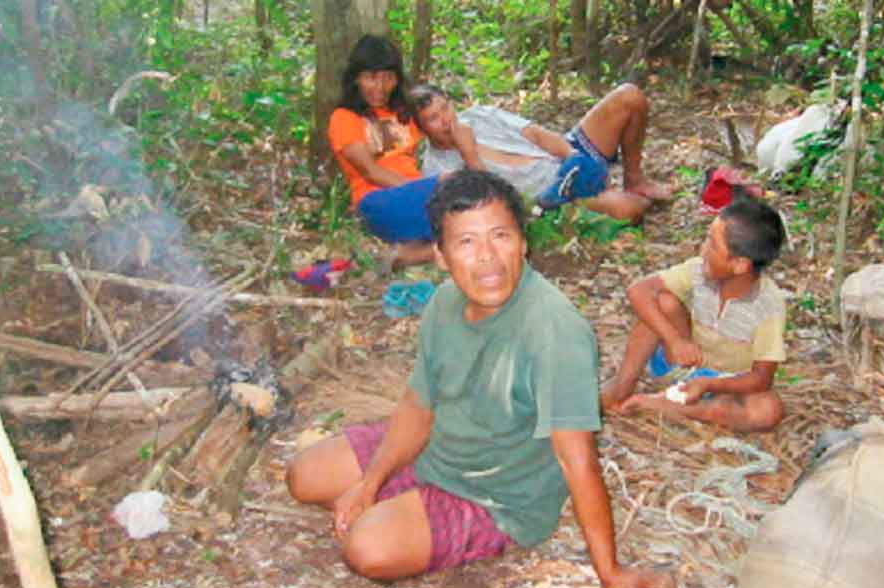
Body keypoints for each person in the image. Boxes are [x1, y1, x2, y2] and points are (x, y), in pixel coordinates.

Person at [286, 170, 675, 588]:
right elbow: (419, 405)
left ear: (524, 242)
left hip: (497, 494)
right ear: (440, 254)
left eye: (500, 236)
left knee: (367, 547)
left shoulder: (555, 331)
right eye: (466, 242)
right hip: (440, 443)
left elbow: (577, 461)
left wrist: (611, 572)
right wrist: (371, 481)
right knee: (303, 476)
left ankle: (434, 521)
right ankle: (400, 500)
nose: (487, 257)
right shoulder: (444, 302)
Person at [600, 195, 788, 432]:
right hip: (679, 362)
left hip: (721, 384)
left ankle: (660, 405)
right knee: (662, 302)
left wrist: (708, 383)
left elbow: (762, 378)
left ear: (740, 264)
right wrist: (675, 341)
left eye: (712, 244)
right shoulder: (698, 270)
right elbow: (638, 291)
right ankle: (621, 388)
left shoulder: (768, 306)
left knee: (768, 409)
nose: (703, 249)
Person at [412, 83, 672, 223]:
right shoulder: (436, 169)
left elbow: (534, 133)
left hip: (565, 155)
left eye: (445, 108)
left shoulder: (478, 115)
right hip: (551, 197)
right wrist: (469, 154)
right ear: (422, 129)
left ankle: (635, 179)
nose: (446, 120)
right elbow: (492, 204)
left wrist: (573, 157)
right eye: (434, 118)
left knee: (629, 96)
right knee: (630, 210)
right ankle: (617, 195)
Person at [327, 34, 438, 269]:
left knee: (474, 211)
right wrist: (425, 190)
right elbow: (370, 172)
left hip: (417, 198)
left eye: (388, 78)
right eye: (371, 78)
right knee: (460, 195)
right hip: (377, 202)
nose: (380, 87)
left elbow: (442, 134)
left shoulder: (402, 113)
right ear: (356, 78)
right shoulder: (344, 118)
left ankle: (413, 255)